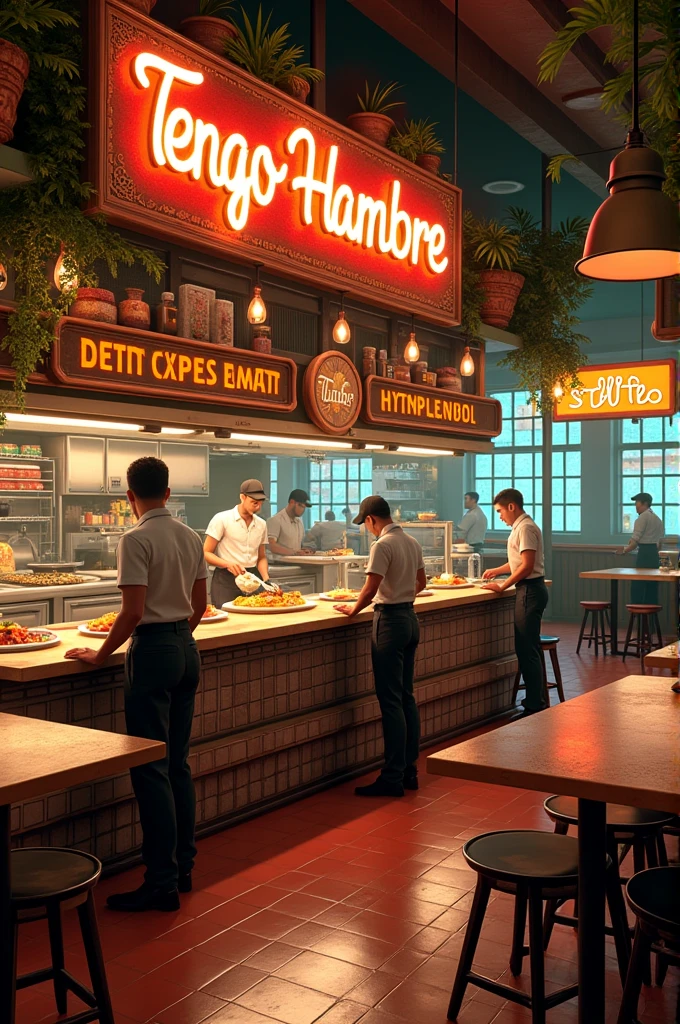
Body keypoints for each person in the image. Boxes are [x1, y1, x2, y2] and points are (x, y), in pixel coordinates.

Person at [65, 457, 208, 911]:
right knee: (178, 764)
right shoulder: (191, 536)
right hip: (186, 649)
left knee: (151, 768)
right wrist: (180, 636)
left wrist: (100, 654)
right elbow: (200, 604)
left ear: (130, 497)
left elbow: (131, 611)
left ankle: (160, 882)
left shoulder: (135, 538)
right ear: (167, 493)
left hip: (151, 652)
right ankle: (183, 867)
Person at [335, 495, 427, 797]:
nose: (368, 530)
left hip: (389, 622)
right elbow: (422, 583)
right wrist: (402, 592)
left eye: (366, 524)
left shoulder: (381, 545)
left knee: (389, 701)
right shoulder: (411, 542)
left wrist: (353, 609)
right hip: (410, 618)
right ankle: (410, 770)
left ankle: (391, 777)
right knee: (406, 696)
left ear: (372, 519)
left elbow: (370, 588)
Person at [482, 488, 548, 717]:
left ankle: (534, 704)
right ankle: (536, 700)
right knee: (527, 647)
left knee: (526, 648)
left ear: (512, 507)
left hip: (530, 590)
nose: (499, 516)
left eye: (500, 511)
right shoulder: (520, 527)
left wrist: (502, 585)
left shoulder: (526, 528)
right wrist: (497, 571)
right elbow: (518, 562)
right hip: (528, 589)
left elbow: (527, 566)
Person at [203, 479, 272, 607]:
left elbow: (261, 557)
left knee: (254, 622)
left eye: (261, 503)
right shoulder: (222, 519)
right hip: (226, 579)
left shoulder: (261, 524)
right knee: (227, 621)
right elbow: (206, 553)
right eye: (254, 502)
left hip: (253, 578)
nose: (258, 507)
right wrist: (227, 564)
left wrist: (266, 579)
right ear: (242, 497)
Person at [618, 492, 664, 604]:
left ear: (645, 503)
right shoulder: (657, 519)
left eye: (637, 503)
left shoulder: (642, 518)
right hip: (654, 554)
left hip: (644, 554)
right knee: (652, 588)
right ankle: (650, 616)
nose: (635, 506)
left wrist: (624, 551)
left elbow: (634, 542)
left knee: (637, 587)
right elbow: (660, 542)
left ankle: (637, 615)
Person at [267, 489, 313, 557]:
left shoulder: (299, 522)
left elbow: (300, 544)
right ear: (292, 502)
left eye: (304, 507)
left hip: (297, 562)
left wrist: (305, 550)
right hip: (279, 565)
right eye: (301, 506)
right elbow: (271, 546)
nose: (302, 510)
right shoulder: (275, 520)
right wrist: (294, 552)